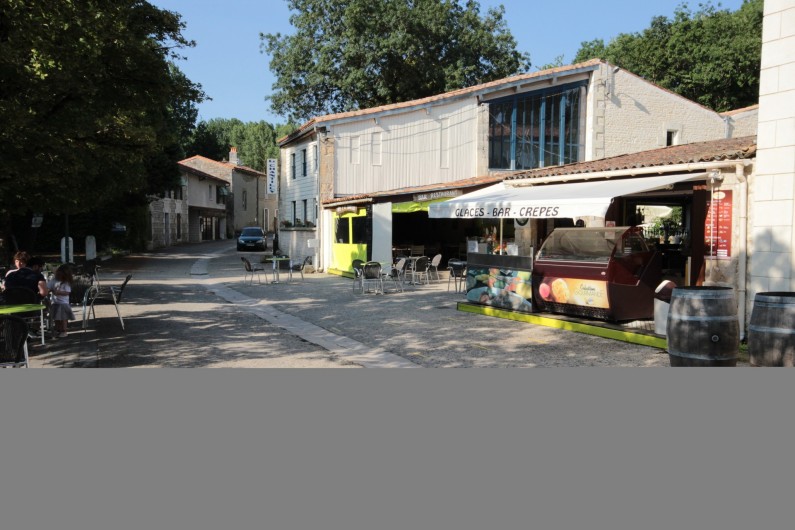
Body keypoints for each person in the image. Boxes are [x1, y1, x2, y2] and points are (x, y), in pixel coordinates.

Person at [49, 265, 75, 338]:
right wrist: (49, 290)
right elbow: (48, 287)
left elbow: (67, 292)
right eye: (58, 275)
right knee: (56, 318)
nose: (59, 277)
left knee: (63, 318)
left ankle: (64, 330)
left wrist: (58, 292)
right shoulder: (53, 280)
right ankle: (58, 330)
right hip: (55, 302)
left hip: (63, 303)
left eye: (61, 275)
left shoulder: (66, 283)